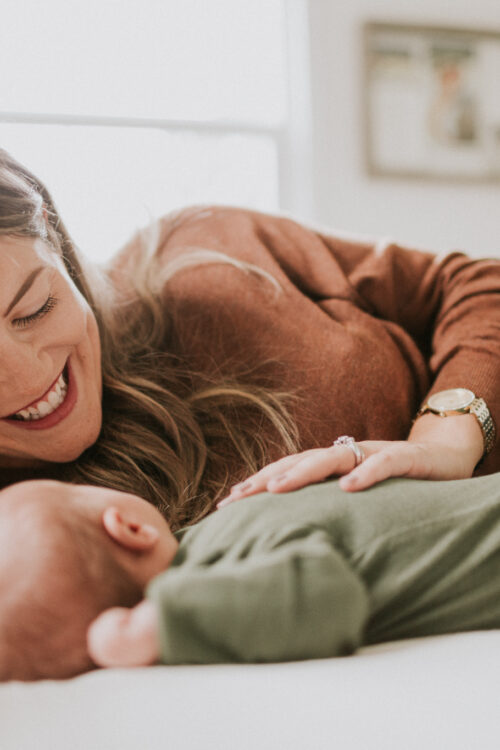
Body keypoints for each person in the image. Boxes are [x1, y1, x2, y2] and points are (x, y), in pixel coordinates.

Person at [1, 147, 500, 529]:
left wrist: (447, 439)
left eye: (32, 310)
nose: (29, 379)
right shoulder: (19, 544)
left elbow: (477, 284)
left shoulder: (208, 248)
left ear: (54, 239)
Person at [2, 473, 500, 681]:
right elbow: (327, 596)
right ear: (129, 528)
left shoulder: (208, 542)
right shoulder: (217, 573)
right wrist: (161, 625)